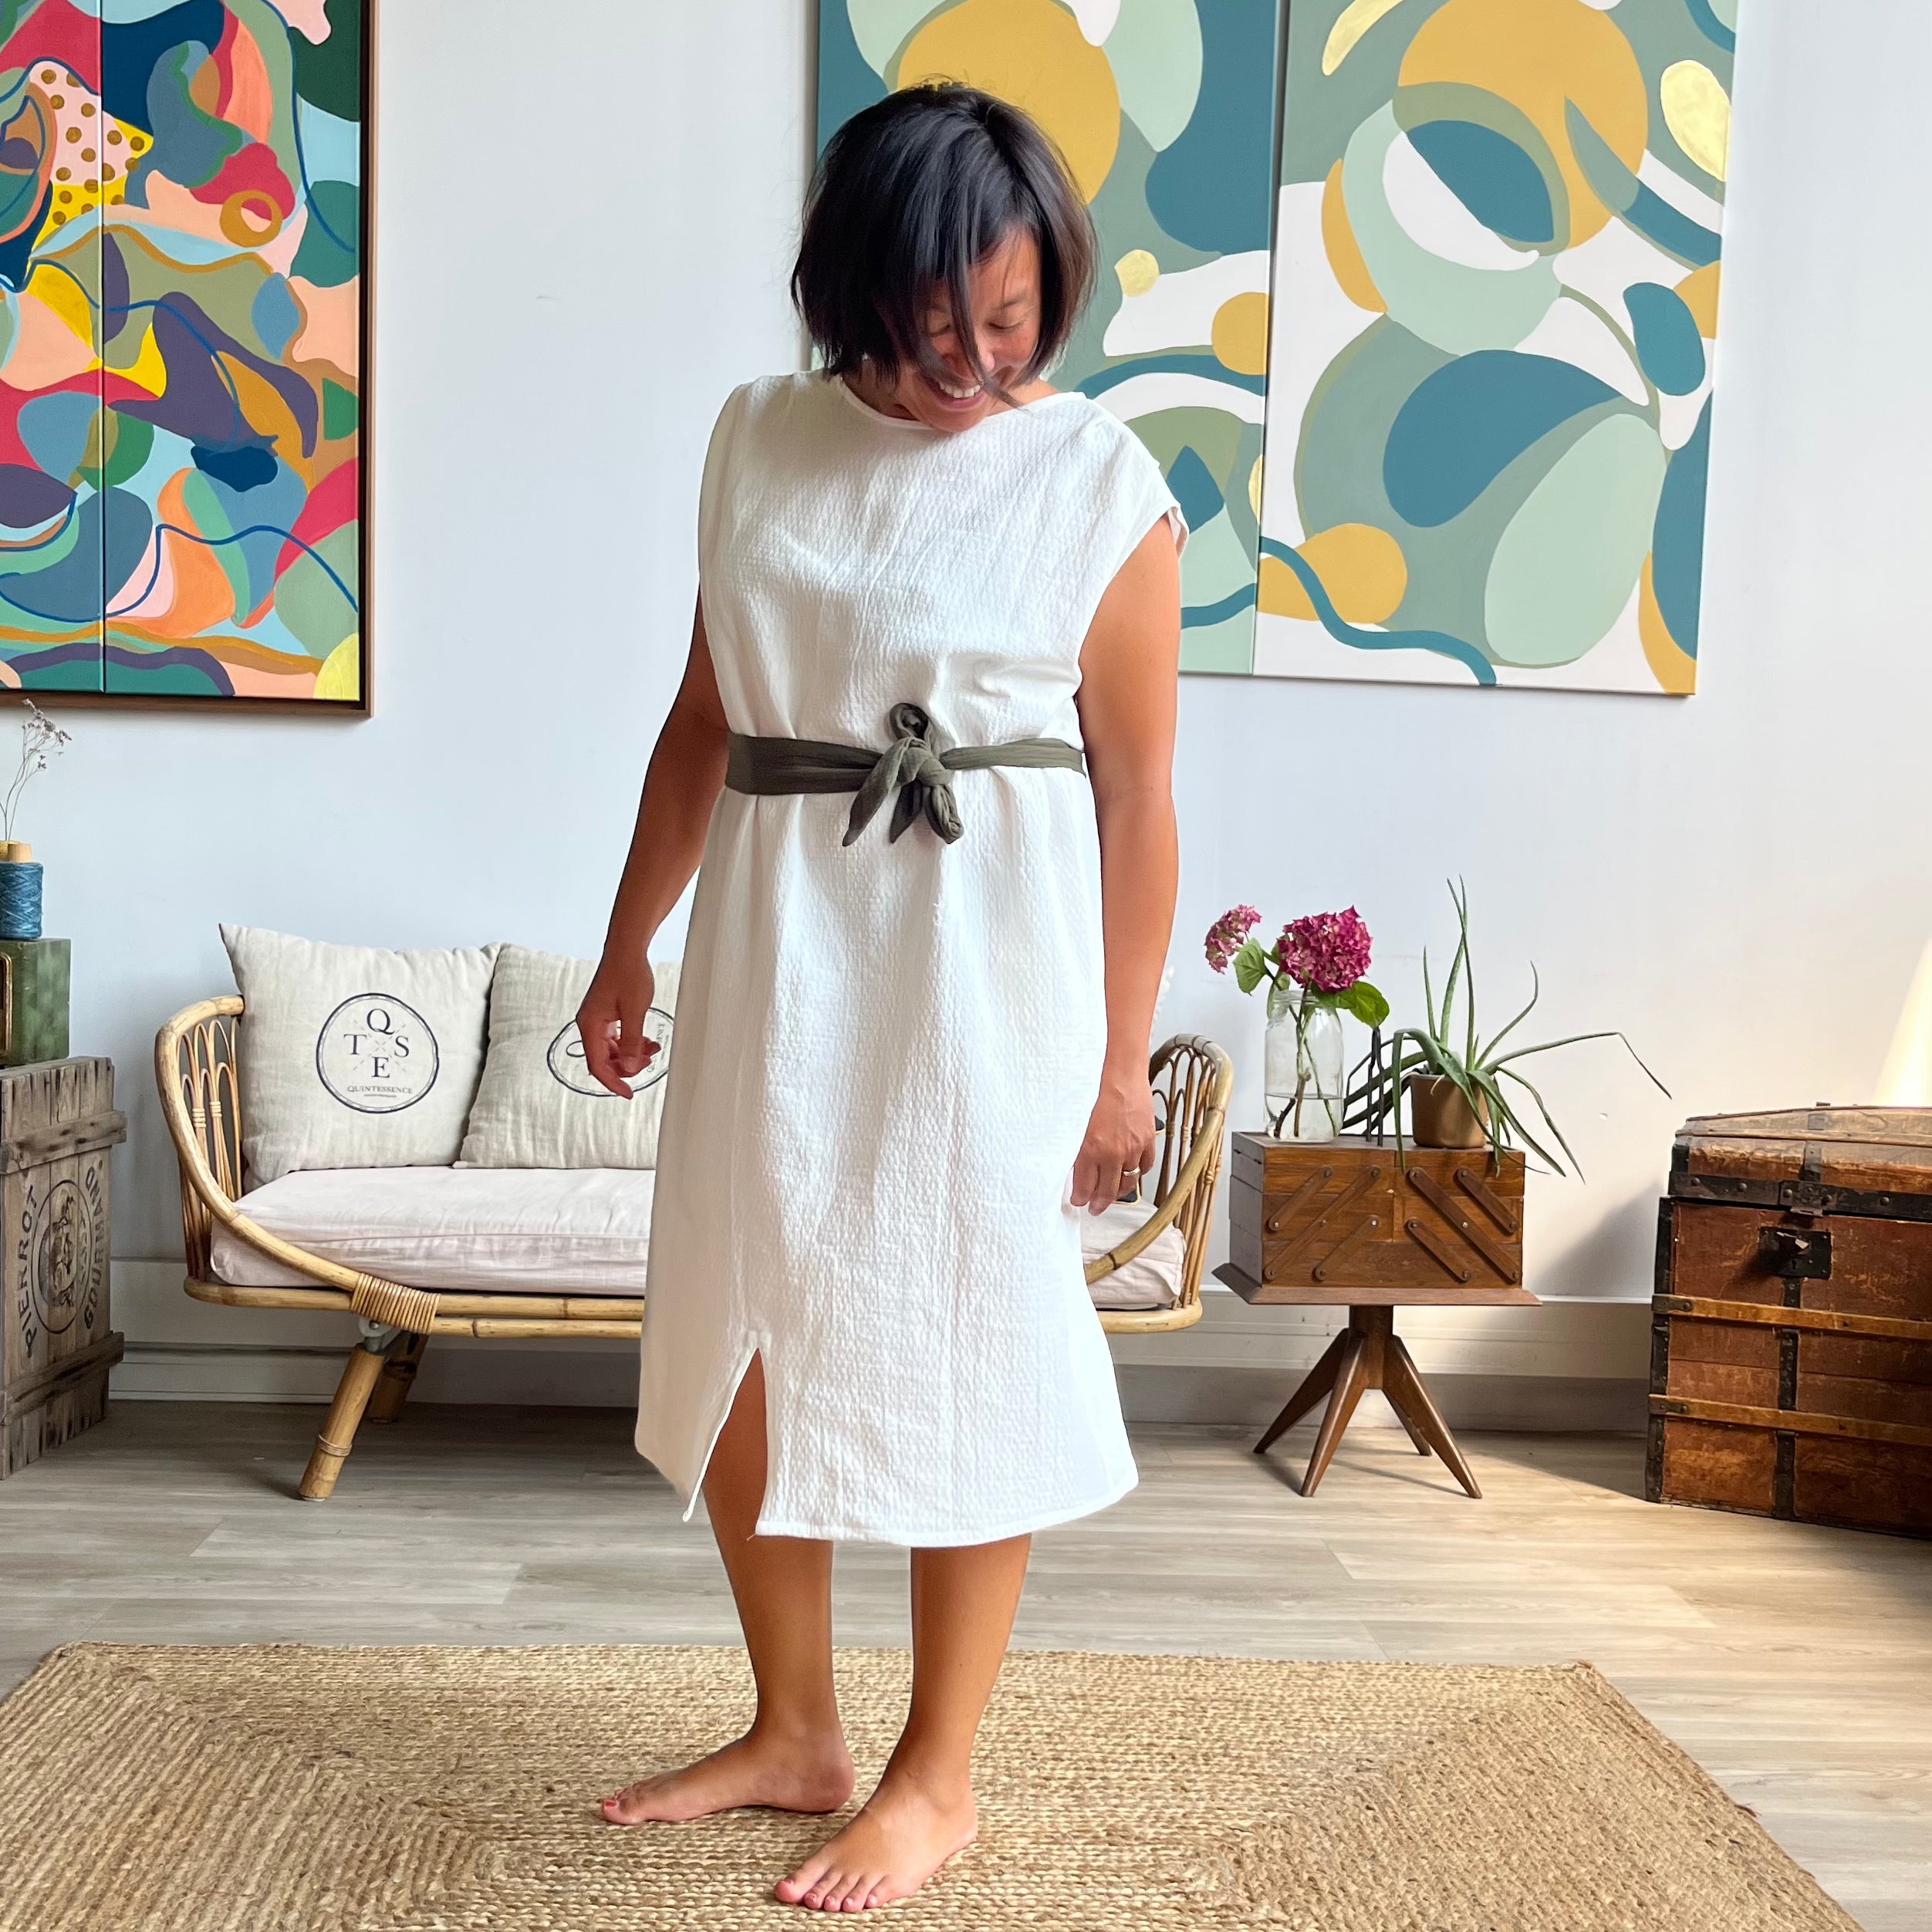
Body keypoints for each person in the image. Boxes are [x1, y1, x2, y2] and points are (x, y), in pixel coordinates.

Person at [576, 83, 1185, 1915]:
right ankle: (795, 1729)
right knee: (743, 1319)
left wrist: (1121, 1063)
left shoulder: (1096, 480)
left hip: (987, 970)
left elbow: (1138, 794)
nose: (978, 368)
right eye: (938, 327)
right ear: (853, 290)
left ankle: (939, 1775)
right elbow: (706, 717)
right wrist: (624, 942)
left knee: (966, 1328)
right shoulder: (756, 439)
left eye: (1014, 324)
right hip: (776, 943)